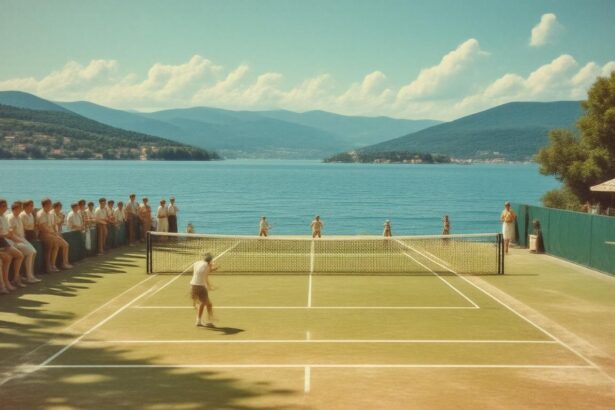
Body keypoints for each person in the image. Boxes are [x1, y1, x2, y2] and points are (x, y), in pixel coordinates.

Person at [7, 201, 40, 283]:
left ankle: (30, 274)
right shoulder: (11, 218)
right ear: (14, 209)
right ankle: (28, 276)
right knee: (30, 252)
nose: (21, 210)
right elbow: (11, 235)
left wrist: (23, 240)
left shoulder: (18, 217)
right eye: (19, 208)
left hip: (21, 239)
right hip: (14, 241)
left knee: (34, 252)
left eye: (21, 208)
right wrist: (21, 241)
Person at [0, 199, 25, 288]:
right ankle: (4, 284)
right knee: (7, 258)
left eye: (5, 206)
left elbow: (7, 232)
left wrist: (9, 233)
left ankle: (15, 278)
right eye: (3, 206)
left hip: (4, 242)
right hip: (2, 241)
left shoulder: (4, 217)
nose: (5, 208)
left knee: (19, 255)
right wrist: (7, 234)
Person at [190, 253, 218, 327]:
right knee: (208, 304)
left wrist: (212, 266)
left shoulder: (196, 263)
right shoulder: (207, 265)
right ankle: (209, 321)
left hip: (193, 285)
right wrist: (215, 266)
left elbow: (202, 272)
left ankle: (199, 321)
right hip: (201, 286)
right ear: (209, 260)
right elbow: (207, 274)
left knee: (202, 303)